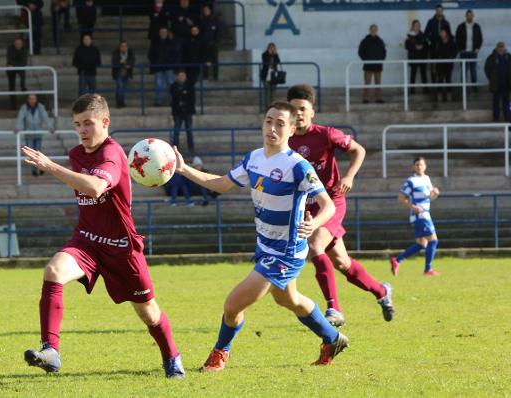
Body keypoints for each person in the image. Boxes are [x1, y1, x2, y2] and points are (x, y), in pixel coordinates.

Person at [174, 100, 348, 371]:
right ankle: (333, 338)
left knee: (232, 305)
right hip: (265, 246)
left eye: (280, 123)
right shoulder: (253, 158)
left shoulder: (298, 166)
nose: (272, 128)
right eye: (269, 121)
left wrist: (315, 225)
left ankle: (220, 352)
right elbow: (221, 183)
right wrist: (184, 170)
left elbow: (327, 206)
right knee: (287, 299)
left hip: (285, 252)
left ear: (291, 130)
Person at [21, 93, 185, 379]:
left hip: (122, 248)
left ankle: (172, 357)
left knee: (148, 312)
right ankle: (51, 350)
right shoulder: (76, 154)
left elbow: (96, 188)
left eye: (88, 123)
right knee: (53, 271)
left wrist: (50, 167)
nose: (82, 130)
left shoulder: (112, 153)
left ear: (105, 122)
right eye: (76, 125)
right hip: (86, 241)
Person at [287, 84, 394, 327]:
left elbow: (358, 150)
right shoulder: (285, 141)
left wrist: (348, 177)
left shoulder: (326, 134)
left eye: (303, 108)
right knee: (343, 263)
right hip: (306, 207)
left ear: (312, 111)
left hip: (331, 203)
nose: (299, 113)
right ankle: (382, 291)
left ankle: (333, 308)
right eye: (294, 109)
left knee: (315, 245)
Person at [391, 157, 440, 276]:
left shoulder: (427, 179)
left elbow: (429, 198)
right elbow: (401, 198)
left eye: (421, 164)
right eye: (417, 165)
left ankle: (397, 260)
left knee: (421, 244)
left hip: (425, 213)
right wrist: (414, 207)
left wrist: (435, 194)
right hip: (420, 215)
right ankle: (428, 269)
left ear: (425, 166)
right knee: (433, 241)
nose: (419, 167)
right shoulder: (411, 181)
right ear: (414, 167)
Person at [15, 94, 54, 176]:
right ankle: (34, 170)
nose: (32, 100)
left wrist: (50, 127)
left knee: (38, 153)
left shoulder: (40, 107)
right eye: (30, 99)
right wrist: (18, 127)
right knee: (31, 154)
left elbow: (45, 117)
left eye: (34, 99)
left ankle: (41, 168)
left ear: (36, 100)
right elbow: (20, 117)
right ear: (28, 100)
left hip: (38, 134)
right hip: (28, 134)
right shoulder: (24, 107)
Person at [358, 24, 386, 104]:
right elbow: (360, 51)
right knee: (367, 82)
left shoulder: (380, 41)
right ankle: (366, 98)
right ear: (370, 30)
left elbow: (384, 51)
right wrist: (366, 60)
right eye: (372, 29)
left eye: (375, 29)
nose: (374, 31)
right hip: (368, 65)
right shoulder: (365, 41)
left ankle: (378, 97)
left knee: (378, 82)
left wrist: (381, 59)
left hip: (378, 65)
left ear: (377, 30)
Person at [455, 9, 483, 92]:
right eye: (468, 15)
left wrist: (477, 49)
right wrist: (460, 49)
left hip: (473, 52)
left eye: (471, 15)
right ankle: (463, 88)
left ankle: (474, 87)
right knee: (463, 71)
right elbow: (457, 39)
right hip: (463, 52)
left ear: (473, 16)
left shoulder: (477, 26)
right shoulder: (461, 26)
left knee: (473, 70)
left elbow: (480, 39)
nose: (469, 17)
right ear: (465, 16)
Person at [149, 27, 177, 107]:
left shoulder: (171, 43)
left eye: (164, 32)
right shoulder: (155, 43)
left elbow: (175, 54)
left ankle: (173, 100)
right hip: (158, 67)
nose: (163, 34)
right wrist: (155, 62)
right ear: (159, 33)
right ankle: (158, 101)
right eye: (161, 32)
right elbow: (151, 54)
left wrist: (170, 62)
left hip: (169, 67)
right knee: (158, 85)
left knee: (171, 84)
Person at [484, 42, 511, 122]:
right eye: (499, 47)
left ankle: (507, 117)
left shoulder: (509, 57)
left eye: (502, 47)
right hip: (496, 85)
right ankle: (496, 118)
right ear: (496, 48)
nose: (500, 49)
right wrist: (491, 78)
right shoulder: (491, 57)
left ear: (504, 48)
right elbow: (487, 69)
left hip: (506, 84)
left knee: (506, 102)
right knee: (496, 102)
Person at [425, 4, 451, 84]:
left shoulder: (446, 22)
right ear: (435, 11)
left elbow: (449, 35)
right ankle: (434, 84)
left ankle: (443, 86)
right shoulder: (431, 21)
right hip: (433, 49)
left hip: (443, 50)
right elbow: (426, 33)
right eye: (437, 10)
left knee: (443, 67)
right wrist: (431, 41)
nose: (439, 12)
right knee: (433, 67)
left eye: (440, 10)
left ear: (442, 11)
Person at [170, 70, 195, 153]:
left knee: (189, 130)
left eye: (183, 76)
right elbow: (174, 96)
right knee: (176, 130)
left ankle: (191, 147)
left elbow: (192, 98)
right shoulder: (174, 86)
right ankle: (175, 147)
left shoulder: (189, 86)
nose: (181, 78)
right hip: (177, 112)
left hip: (187, 112)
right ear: (177, 77)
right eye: (180, 76)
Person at [431, 27, 457, 102]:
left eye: (443, 32)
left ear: (446, 33)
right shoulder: (438, 42)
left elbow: (455, 51)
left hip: (448, 64)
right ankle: (439, 96)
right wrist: (434, 65)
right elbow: (435, 53)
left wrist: (451, 57)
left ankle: (449, 96)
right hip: (440, 64)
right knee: (440, 80)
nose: (441, 33)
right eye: (441, 32)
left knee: (448, 79)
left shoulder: (451, 42)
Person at [405, 20, 429, 94]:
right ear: (412, 26)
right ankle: (412, 90)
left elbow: (427, 45)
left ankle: (425, 90)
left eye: (418, 25)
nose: (417, 27)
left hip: (422, 57)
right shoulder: (409, 36)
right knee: (413, 73)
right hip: (413, 57)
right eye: (415, 25)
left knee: (423, 73)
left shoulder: (423, 35)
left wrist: (422, 46)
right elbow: (407, 46)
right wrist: (415, 47)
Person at [6, 37, 29, 109]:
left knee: (23, 82)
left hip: (19, 67)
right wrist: (16, 64)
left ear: (22, 44)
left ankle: (23, 87)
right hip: (11, 69)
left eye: (19, 43)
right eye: (16, 43)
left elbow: (24, 62)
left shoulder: (25, 49)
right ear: (14, 44)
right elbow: (9, 60)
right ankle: (13, 105)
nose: (18, 45)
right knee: (11, 86)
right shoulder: (10, 49)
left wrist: (14, 65)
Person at [111, 41, 135, 108]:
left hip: (126, 74)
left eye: (125, 46)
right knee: (120, 87)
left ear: (127, 47)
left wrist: (125, 63)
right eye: (122, 46)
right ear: (119, 47)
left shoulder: (130, 53)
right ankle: (120, 103)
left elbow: (132, 61)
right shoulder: (115, 53)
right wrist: (123, 63)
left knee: (122, 88)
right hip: (118, 74)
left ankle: (121, 102)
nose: (123, 48)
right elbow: (114, 62)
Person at [199, 4, 219, 81]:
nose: (206, 12)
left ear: (210, 11)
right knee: (205, 60)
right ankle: (205, 75)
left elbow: (218, 32)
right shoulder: (201, 20)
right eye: (204, 10)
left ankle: (215, 76)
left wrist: (216, 41)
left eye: (207, 10)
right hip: (204, 44)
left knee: (215, 60)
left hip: (213, 44)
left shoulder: (215, 20)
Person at [260, 42, 281, 109]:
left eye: (273, 48)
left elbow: (278, 62)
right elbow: (265, 62)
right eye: (270, 47)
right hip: (265, 75)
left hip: (274, 76)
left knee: (273, 92)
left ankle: (273, 107)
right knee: (267, 92)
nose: (272, 49)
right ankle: (267, 107)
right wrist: (269, 55)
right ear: (268, 48)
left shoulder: (276, 55)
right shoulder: (264, 54)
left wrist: (274, 55)